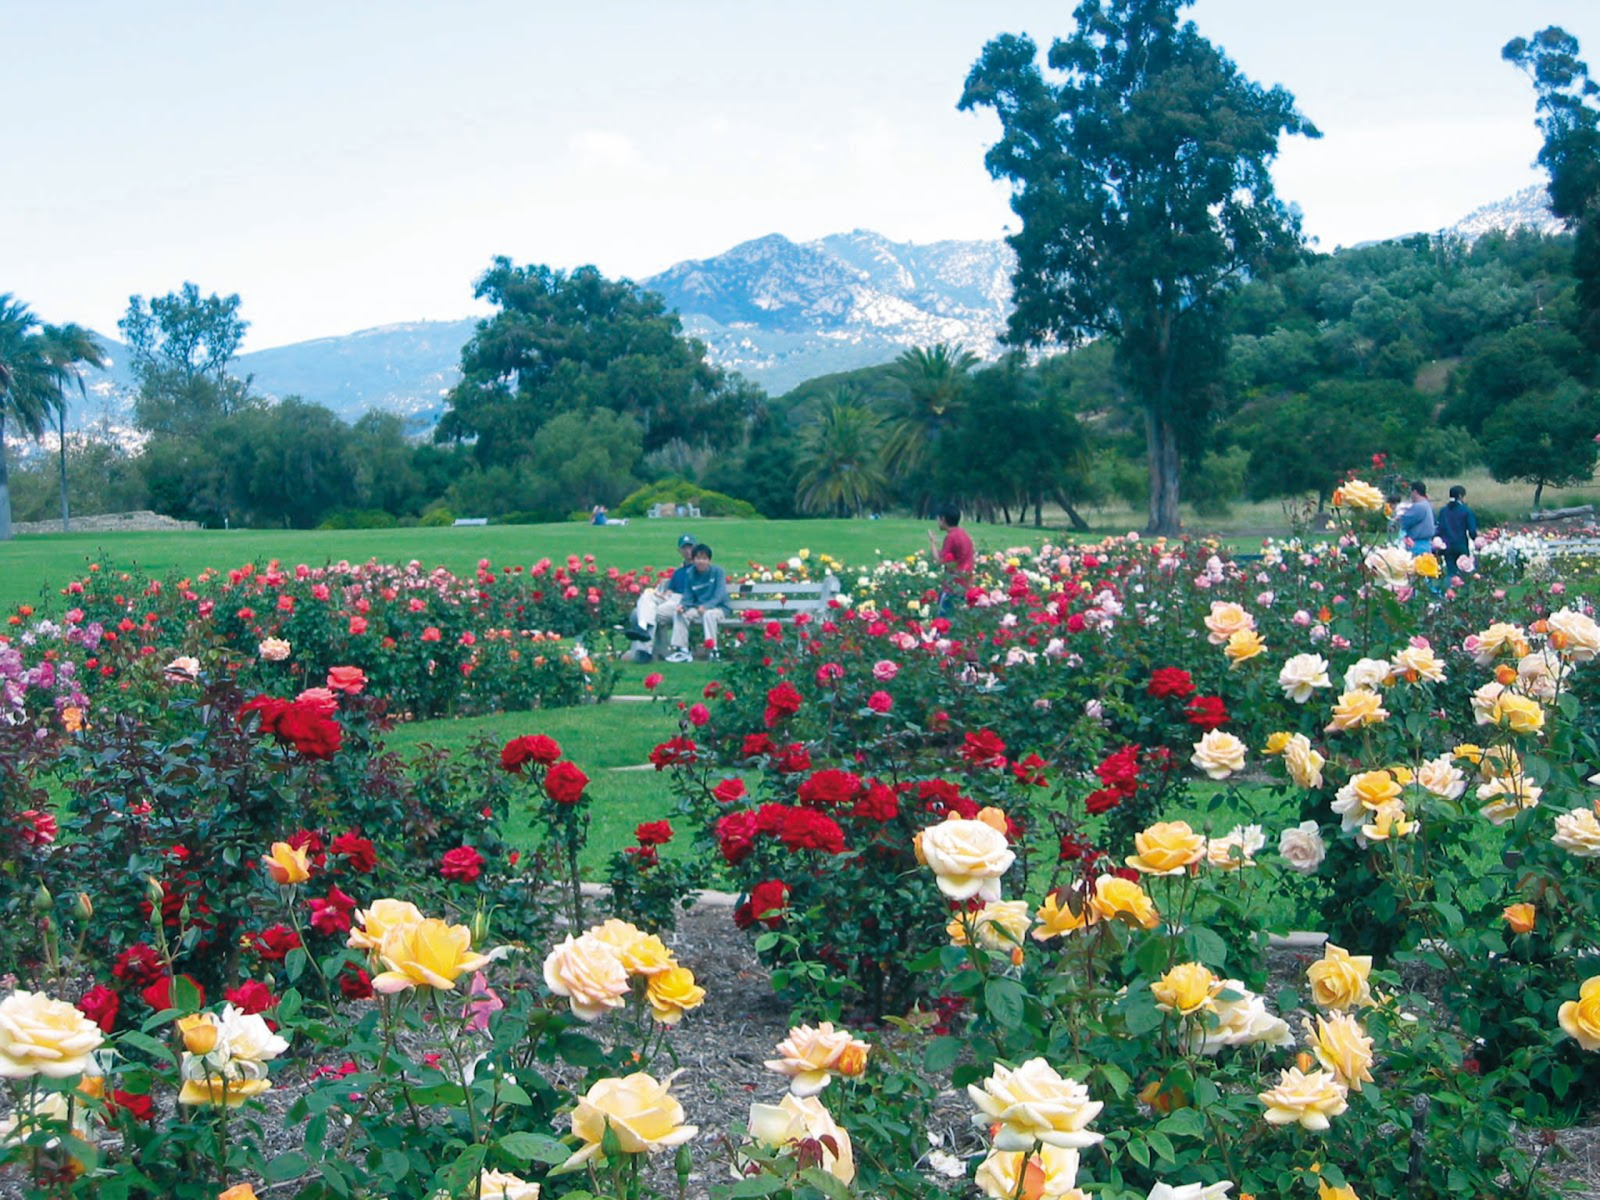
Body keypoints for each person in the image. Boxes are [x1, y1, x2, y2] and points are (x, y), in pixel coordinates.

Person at [623, 534, 697, 661]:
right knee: (648, 595)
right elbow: (669, 591)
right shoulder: (678, 572)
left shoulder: (700, 569)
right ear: (679, 551)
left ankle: (644, 650)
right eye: (684, 548)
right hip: (670, 599)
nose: (687, 551)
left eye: (690, 547)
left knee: (642, 613)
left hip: (684, 602)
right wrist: (661, 595)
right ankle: (642, 628)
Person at [667, 543, 730, 662]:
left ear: (709, 560)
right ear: (694, 560)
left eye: (704, 558)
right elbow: (688, 595)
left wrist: (707, 606)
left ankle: (713, 650)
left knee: (709, 615)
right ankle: (682, 651)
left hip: (718, 608)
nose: (701, 561)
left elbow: (720, 595)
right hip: (699, 609)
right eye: (698, 558)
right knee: (680, 613)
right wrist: (683, 606)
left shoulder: (717, 572)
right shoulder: (690, 573)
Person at [928, 503, 975, 616]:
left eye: (938, 519)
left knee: (943, 618)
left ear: (943, 519)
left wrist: (933, 543)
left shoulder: (951, 537)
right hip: (965, 584)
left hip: (952, 586)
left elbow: (939, 560)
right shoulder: (964, 534)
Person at [1436, 484, 1479, 575]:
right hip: (1461, 545)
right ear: (1460, 496)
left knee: (1450, 573)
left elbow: (1439, 529)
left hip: (1447, 546)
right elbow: (1472, 530)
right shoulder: (1466, 510)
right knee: (1464, 573)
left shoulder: (1443, 511)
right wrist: (1477, 540)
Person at [1395, 480, 1435, 557]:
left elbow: (1404, 522)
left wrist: (1397, 518)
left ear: (1415, 492)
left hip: (1417, 545)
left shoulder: (1418, 506)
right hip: (1426, 544)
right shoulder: (1426, 504)